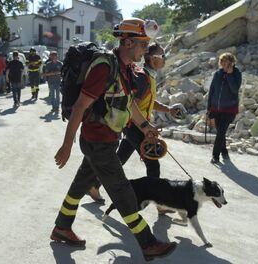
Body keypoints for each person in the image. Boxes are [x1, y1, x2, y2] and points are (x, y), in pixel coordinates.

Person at [51, 18, 177, 261]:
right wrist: (66, 146)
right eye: (142, 44)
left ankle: (61, 227)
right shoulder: (105, 67)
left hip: (106, 139)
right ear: (127, 42)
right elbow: (79, 107)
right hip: (97, 141)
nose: (145, 49)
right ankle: (148, 243)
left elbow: (128, 103)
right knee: (122, 191)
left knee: (79, 185)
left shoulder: (126, 68)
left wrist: (145, 126)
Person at [87, 43, 181, 213]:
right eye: (162, 56)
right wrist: (145, 128)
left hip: (137, 126)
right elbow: (131, 106)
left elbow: (149, 103)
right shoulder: (143, 77)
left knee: (120, 157)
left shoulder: (149, 77)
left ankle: (94, 185)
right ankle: (160, 204)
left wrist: (168, 109)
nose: (165, 59)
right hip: (136, 126)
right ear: (152, 59)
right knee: (153, 165)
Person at [206, 52, 241, 164]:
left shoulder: (237, 73)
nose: (224, 64)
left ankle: (215, 156)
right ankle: (224, 151)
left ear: (232, 63)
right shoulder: (217, 74)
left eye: (226, 61)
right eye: (222, 61)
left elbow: (235, 90)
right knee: (220, 132)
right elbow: (212, 91)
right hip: (216, 108)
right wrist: (209, 108)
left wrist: (230, 75)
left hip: (229, 109)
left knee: (220, 132)